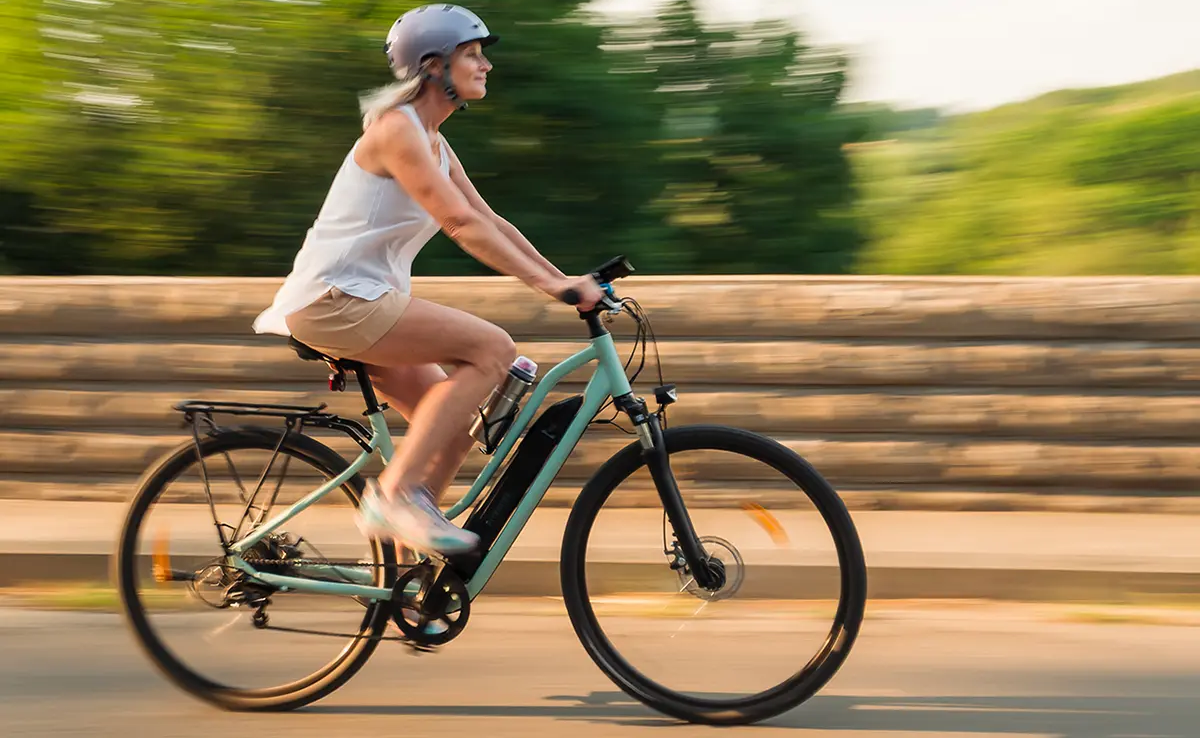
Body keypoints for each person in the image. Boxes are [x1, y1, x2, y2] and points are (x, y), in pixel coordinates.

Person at [253, 4, 604, 556]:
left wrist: (567, 280)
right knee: (493, 348)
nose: (485, 64)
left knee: (452, 429)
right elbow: (460, 223)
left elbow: (490, 220)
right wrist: (551, 289)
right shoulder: (397, 129)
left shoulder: (434, 140)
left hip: (367, 300)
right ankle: (396, 497)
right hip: (336, 299)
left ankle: (418, 576)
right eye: (472, 54)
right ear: (435, 66)